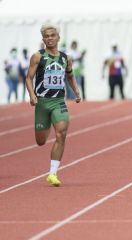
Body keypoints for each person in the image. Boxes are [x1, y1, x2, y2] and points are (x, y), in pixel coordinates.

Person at [25, 23, 81, 186]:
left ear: (58, 38)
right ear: (43, 39)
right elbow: (29, 78)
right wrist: (32, 95)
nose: (49, 38)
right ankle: (46, 124)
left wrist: (76, 92)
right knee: (41, 141)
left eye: (52, 35)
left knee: (61, 134)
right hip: (42, 103)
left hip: (58, 102)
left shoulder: (65, 58)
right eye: (46, 36)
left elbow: (70, 76)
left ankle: (53, 173)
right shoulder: (38, 56)